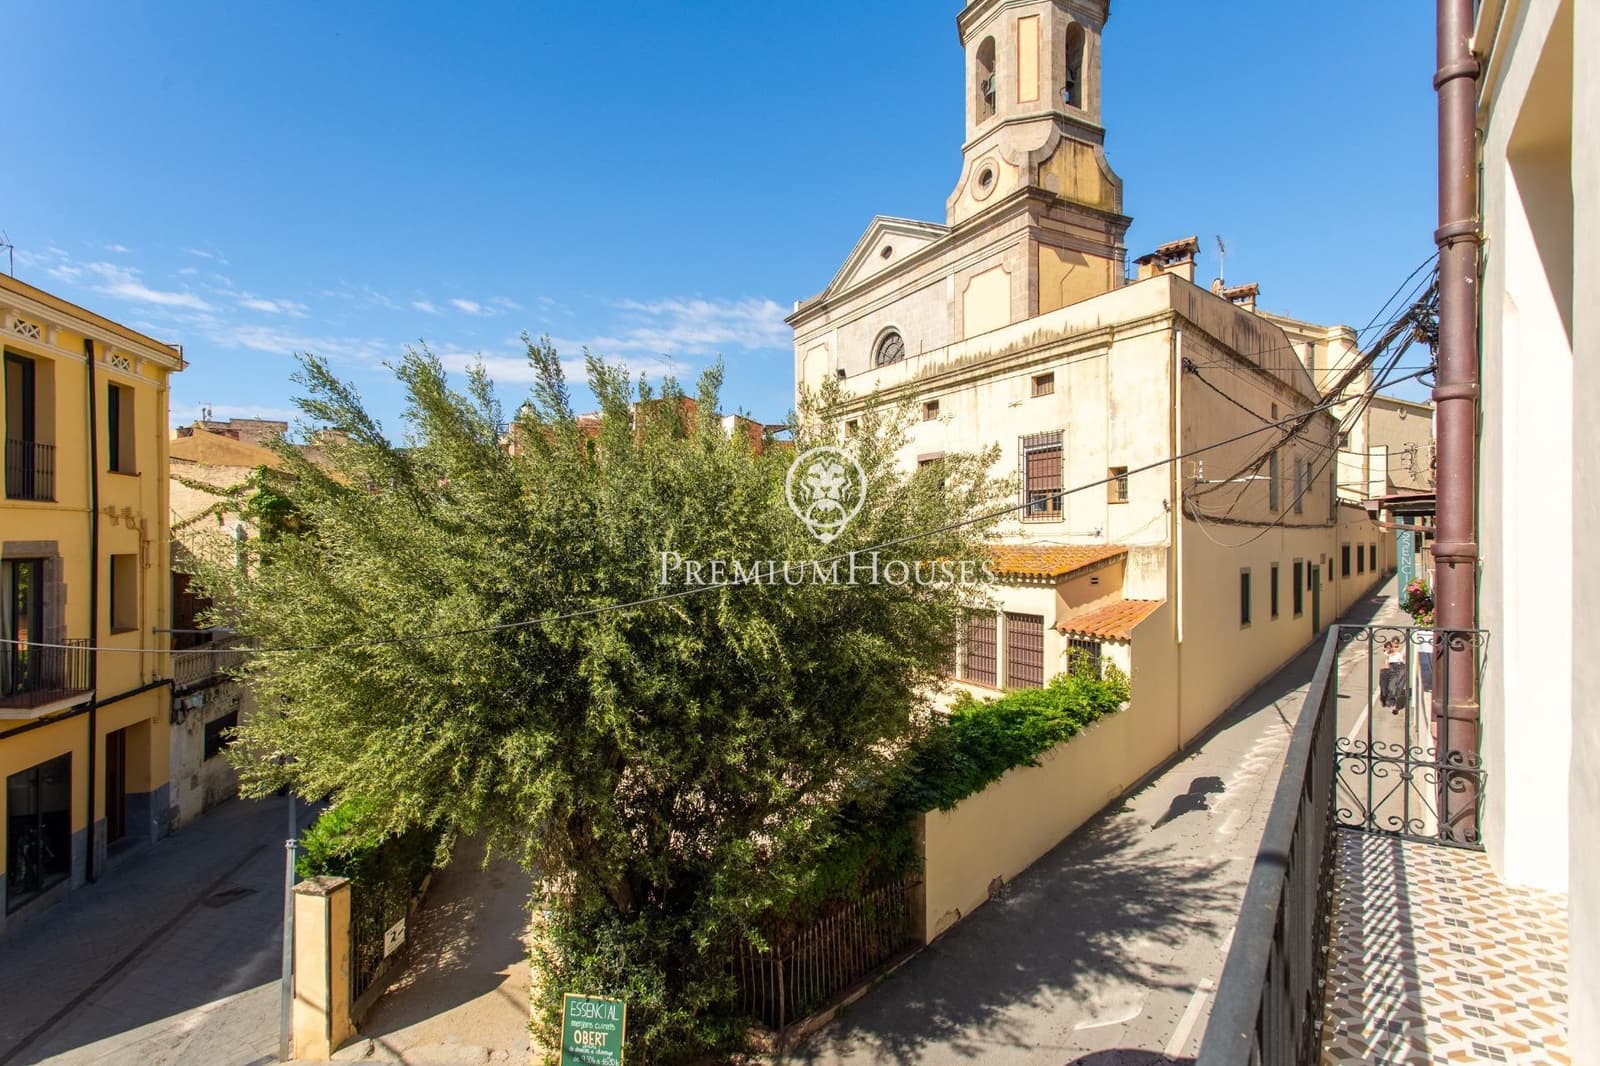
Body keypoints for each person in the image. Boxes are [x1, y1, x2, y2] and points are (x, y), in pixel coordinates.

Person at [1379, 637, 1409, 714]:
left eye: (1397, 643)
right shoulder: (1386, 651)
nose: (1395, 644)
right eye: (1394, 642)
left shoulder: (1399, 652)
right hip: (1387, 669)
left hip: (1397, 668)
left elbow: (1403, 661)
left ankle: (1393, 704)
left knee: (1394, 687)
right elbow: (1384, 661)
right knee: (1386, 688)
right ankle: (1386, 700)